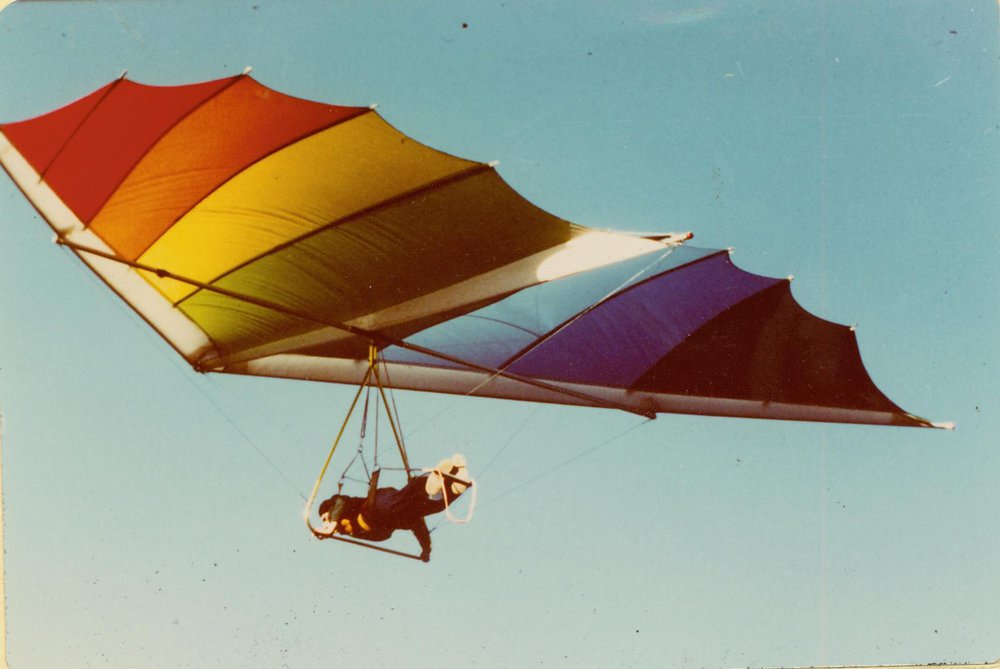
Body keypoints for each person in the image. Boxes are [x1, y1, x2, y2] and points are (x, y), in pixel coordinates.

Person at [317, 454, 470, 562]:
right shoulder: (346, 530)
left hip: (377, 505)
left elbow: (339, 502)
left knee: (396, 505)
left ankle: (432, 482)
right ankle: (452, 488)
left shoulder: (339, 506)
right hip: (393, 519)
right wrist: (426, 550)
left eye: (325, 518)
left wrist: (332, 522)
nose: (326, 521)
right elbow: (420, 529)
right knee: (423, 510)